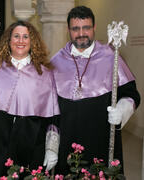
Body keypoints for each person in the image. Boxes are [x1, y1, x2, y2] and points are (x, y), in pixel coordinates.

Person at [50, 6, 141, 175]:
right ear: (68, 30)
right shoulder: (56, 61)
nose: (81, 33)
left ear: (94, 28)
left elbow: (131, 94)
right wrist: (51, 146)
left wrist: (122, 110)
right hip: (67, 141)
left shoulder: (110, 57)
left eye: (86, 28)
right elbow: (49, 109)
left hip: (101, 139)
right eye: (75, 29)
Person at [0, 21, 60, 179]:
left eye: (26, 36)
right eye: (16, 36)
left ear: (32, 41)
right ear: (8, 41)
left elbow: (53, 117)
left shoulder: (46, 75)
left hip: (32, 143)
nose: (21, 41)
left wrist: (51, 148)